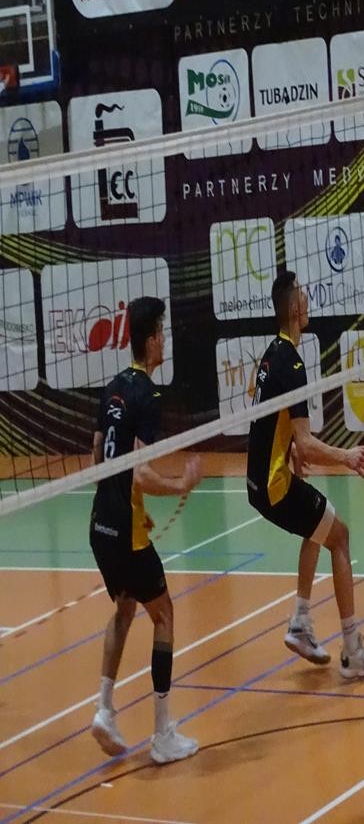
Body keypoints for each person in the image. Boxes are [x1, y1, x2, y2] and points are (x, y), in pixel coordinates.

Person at [248, 270, 364, 678]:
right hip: (273, 485)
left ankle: (301, 623)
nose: (308, 301)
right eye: (303, 296)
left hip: (258, 480)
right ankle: (352, 651)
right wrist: (346, 456)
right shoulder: (291, 362)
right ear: (294, 308)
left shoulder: (271, 355)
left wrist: (288, 448)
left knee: (318, 527)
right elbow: (306, 442)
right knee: (339, 535)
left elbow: (271, 423)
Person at [89, 296, 202, 764]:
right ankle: (162, 734)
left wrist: (128, 506)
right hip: (125, 531)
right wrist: (180, 485)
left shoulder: (112, 388)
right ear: (152, 339)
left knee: (124, 607)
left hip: (99, 524)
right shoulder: (148, 396)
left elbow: (98, 456)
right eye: (162, 332)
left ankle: (103, 709)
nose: (164, 340)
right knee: (165, 615)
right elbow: (138, 470)